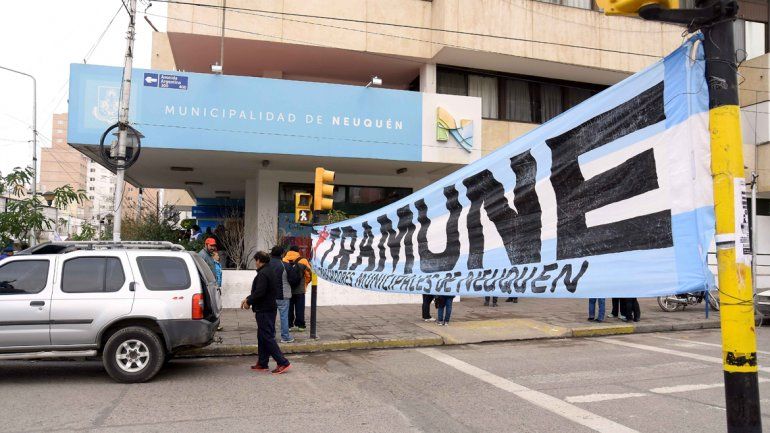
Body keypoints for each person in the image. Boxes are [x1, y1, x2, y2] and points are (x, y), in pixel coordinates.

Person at [241, 251, 291, 374]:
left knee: (267, 337)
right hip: (267, 308)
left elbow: (260, 292)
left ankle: (283, 362)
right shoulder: (269, 271)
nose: (255, 263)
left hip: (265, 310)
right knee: (262, 336)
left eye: (255, 260)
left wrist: (249, 300)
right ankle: (263, 362)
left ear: (259, 260)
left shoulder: (263, 273)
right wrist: (249, 298)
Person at [283, 246, 311, 331]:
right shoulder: (303, 260)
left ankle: (289, 325)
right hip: (300, 289)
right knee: (300, 308)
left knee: (288, 308)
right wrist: (305, 284)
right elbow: (309, 275)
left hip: (288, 289)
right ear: (298, 251)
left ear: (289, 251)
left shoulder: (283, 260)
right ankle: (300, 326)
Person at [269, 246, 294, 343]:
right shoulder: (285, 265)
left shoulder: (267, 265)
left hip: (270, 296)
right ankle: (285, 337)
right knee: (284, 317)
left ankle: (271, 336)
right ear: (282, 254)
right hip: (283, 295)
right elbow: (293, 279)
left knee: (271, 317)